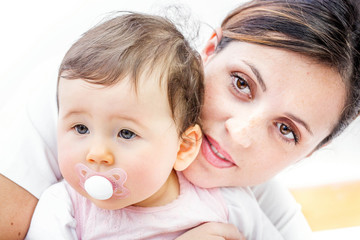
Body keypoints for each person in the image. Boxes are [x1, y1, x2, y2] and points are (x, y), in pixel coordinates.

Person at [1, 0, 359, 239]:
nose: (240, 133)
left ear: (311, 152)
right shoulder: (86, 96)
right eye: (241, 83)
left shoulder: (247, 198)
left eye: (286, 130)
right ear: (207, 51)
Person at [25, 12, 285, 240]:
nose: (96, 154)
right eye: (81, 128)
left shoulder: (227, 206)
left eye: (126, 133)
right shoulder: (64, 211)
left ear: (183, 148)